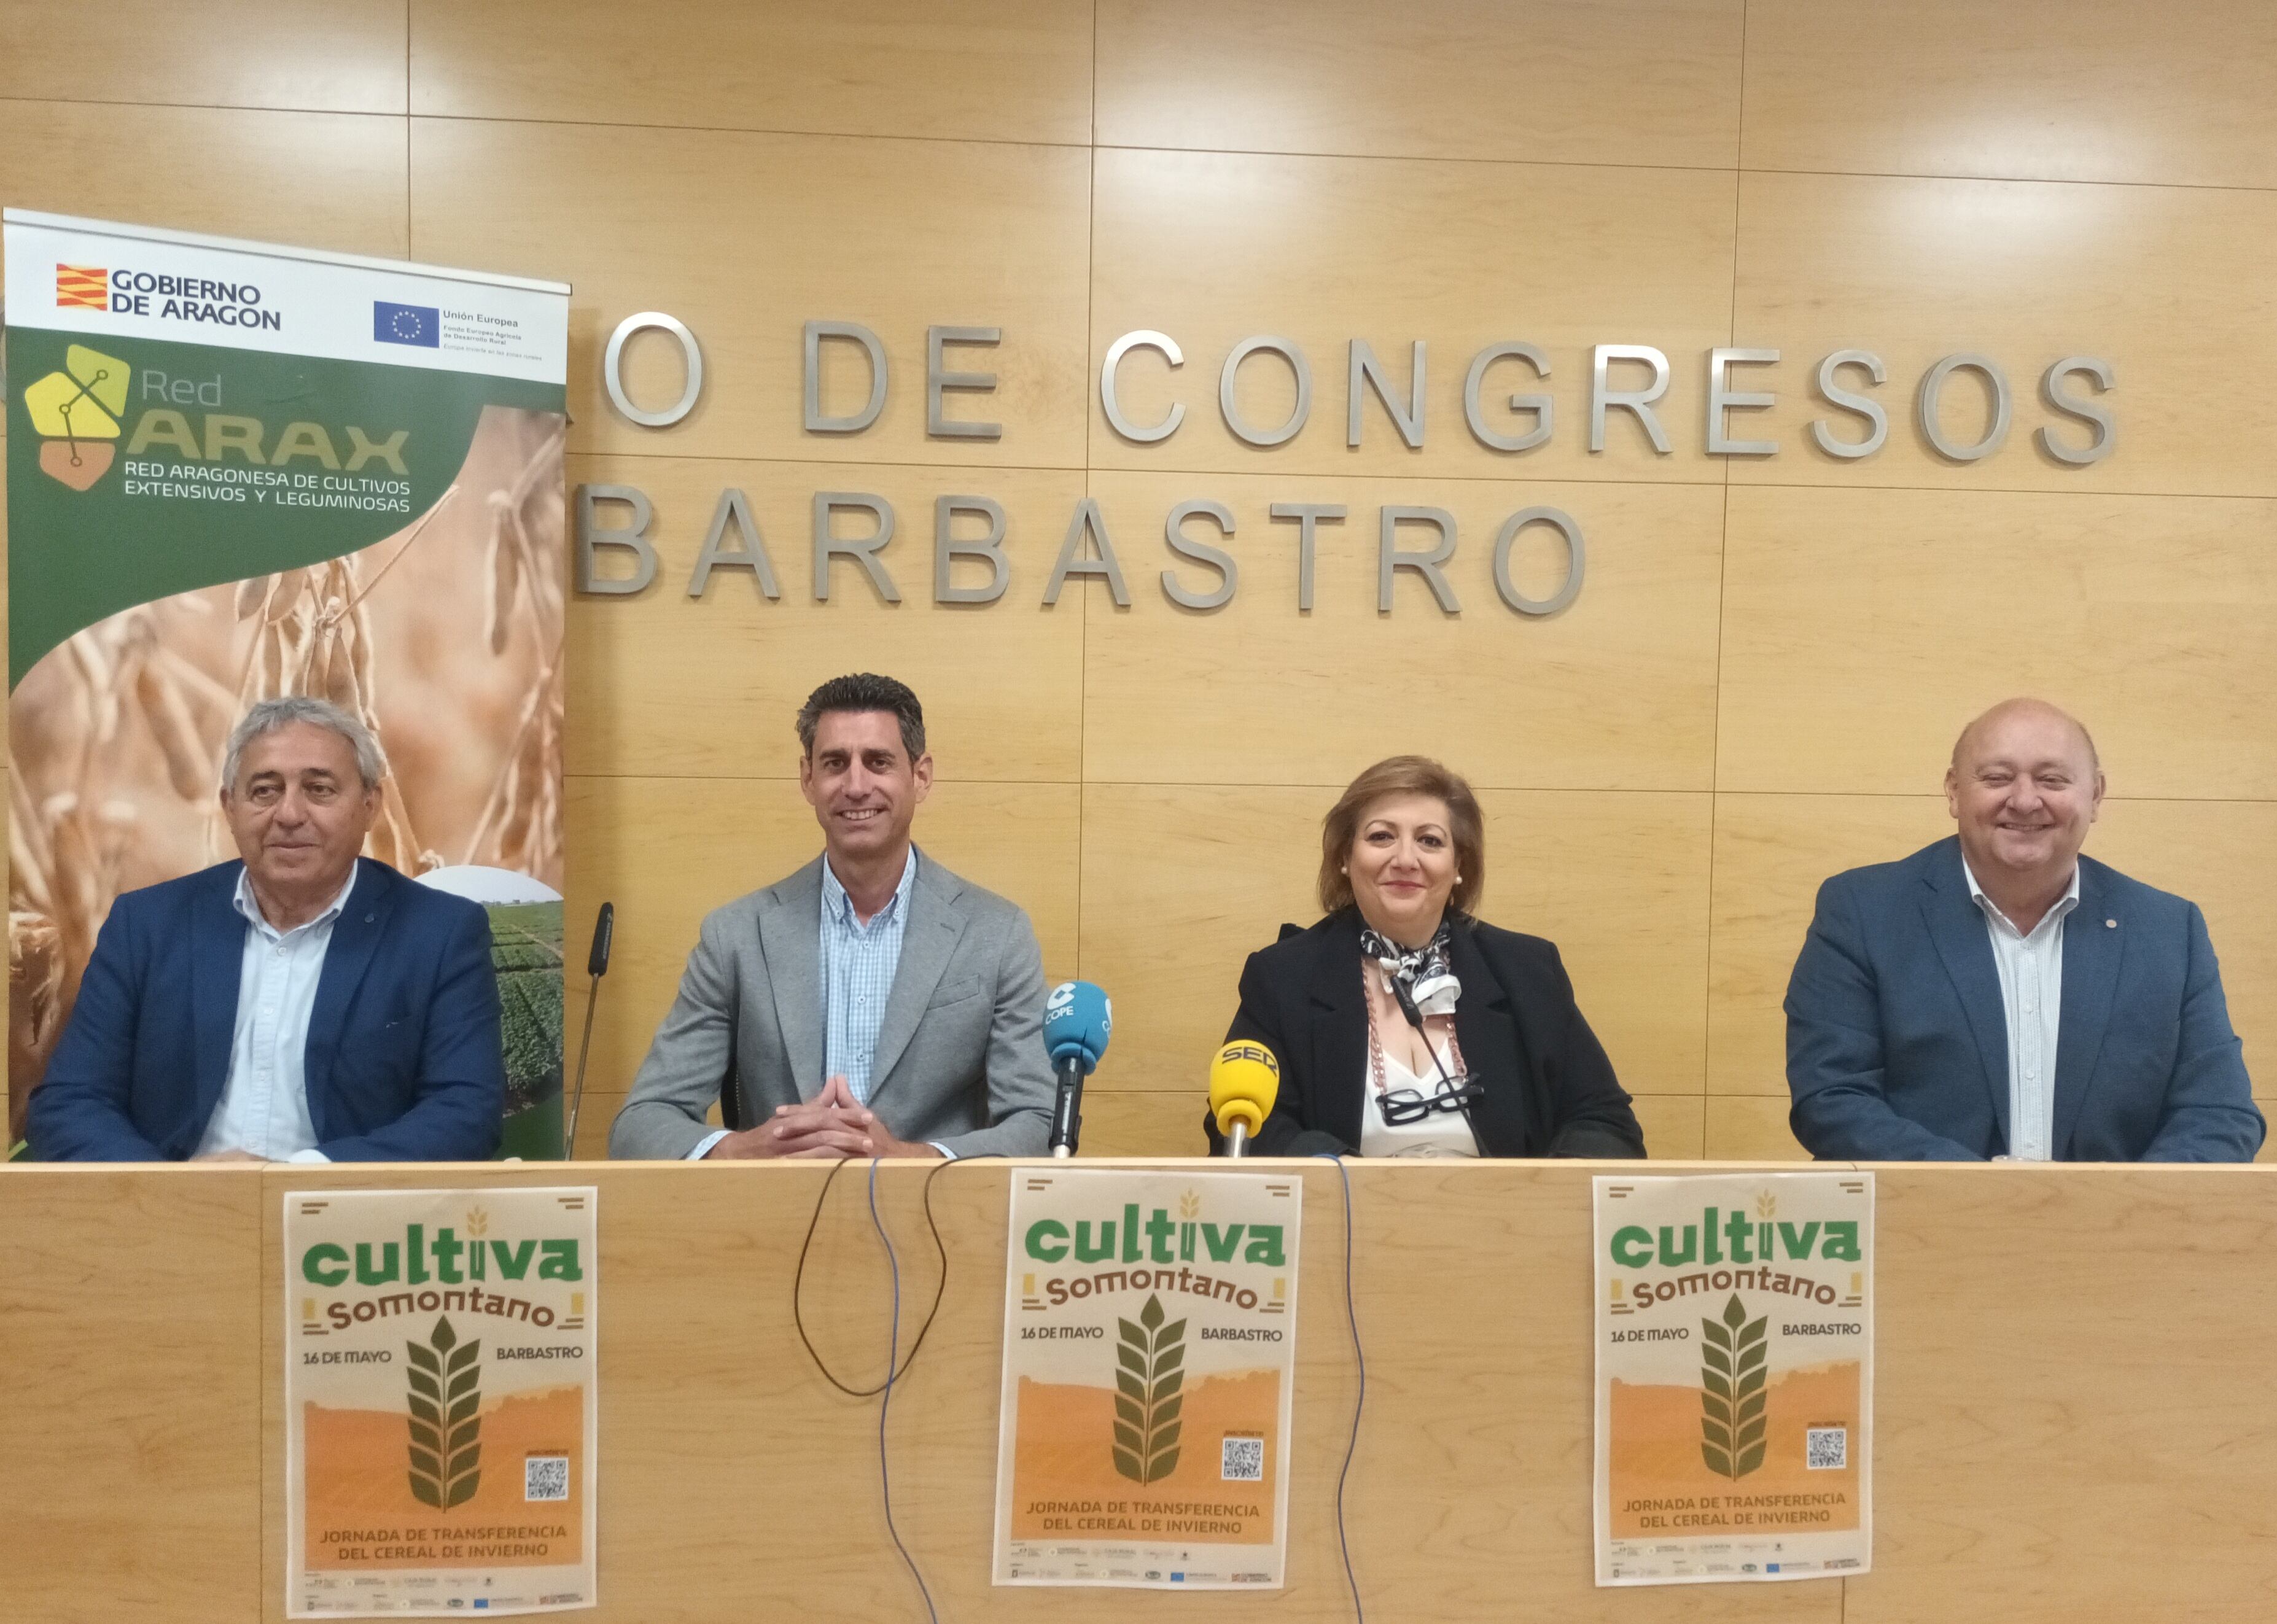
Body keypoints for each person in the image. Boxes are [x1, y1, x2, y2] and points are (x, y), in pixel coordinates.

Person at [1786, 697, 2262, 1162]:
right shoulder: (1863, 912)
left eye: (2052, 779)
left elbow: (2219, 1113)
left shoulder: (2169, 931)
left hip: (2118, 1235)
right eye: (1997, 777)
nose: (2025, 799)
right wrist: (1990, 1199)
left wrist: (2116, 1207)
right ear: (1953, 790)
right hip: (1922, 1230)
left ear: (2095, 795)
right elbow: (1833, 1098)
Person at [29, 696, 505, 1162]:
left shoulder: (440, 934)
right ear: (230, 806)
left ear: (369, 805)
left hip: (345, 1226)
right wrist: (172, 1193)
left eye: (319, 789)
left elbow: (463, 1113)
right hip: (171, 1220)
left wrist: (296, 1180)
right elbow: (71, 1103)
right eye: (264, 790)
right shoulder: (147, 927)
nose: (290, 814)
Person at [610, 673, 1054, 1160]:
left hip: (933, 1223)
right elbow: (642, 1123)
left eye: (879, 762)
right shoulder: (736, 936)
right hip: (774, 1224)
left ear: (920, 776)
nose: (856, 786)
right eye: (835, 764)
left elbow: (1040, 1123)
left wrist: (908, 1159)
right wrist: (744, 1150)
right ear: (808, 779)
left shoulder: (996, 933)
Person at [1211, 755, 1644, 1159]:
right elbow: (1241, 1129)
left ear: (1459, 865)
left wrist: (1534, 1195)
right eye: (1381, 836)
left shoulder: (1529, 972)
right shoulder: (1283, 977)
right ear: (1345, 857)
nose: (1405, 859)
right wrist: (1345, 1180)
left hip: (1505, 1230)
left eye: (1430, 841)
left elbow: (1606, 1122)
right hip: (1343, 1228)